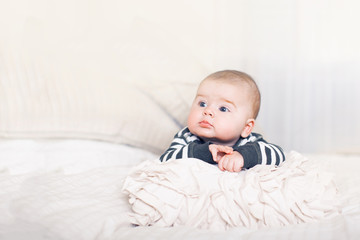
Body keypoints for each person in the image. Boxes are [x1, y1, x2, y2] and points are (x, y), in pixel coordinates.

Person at [159, 70, 285, 172]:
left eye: (223, 109)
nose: (208, 111)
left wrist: (243, 156)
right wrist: (205, 153)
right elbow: (167, 159)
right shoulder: (187, 137)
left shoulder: (249, 142)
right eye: (202, 103)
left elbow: (278, 155)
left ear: (246, 128)